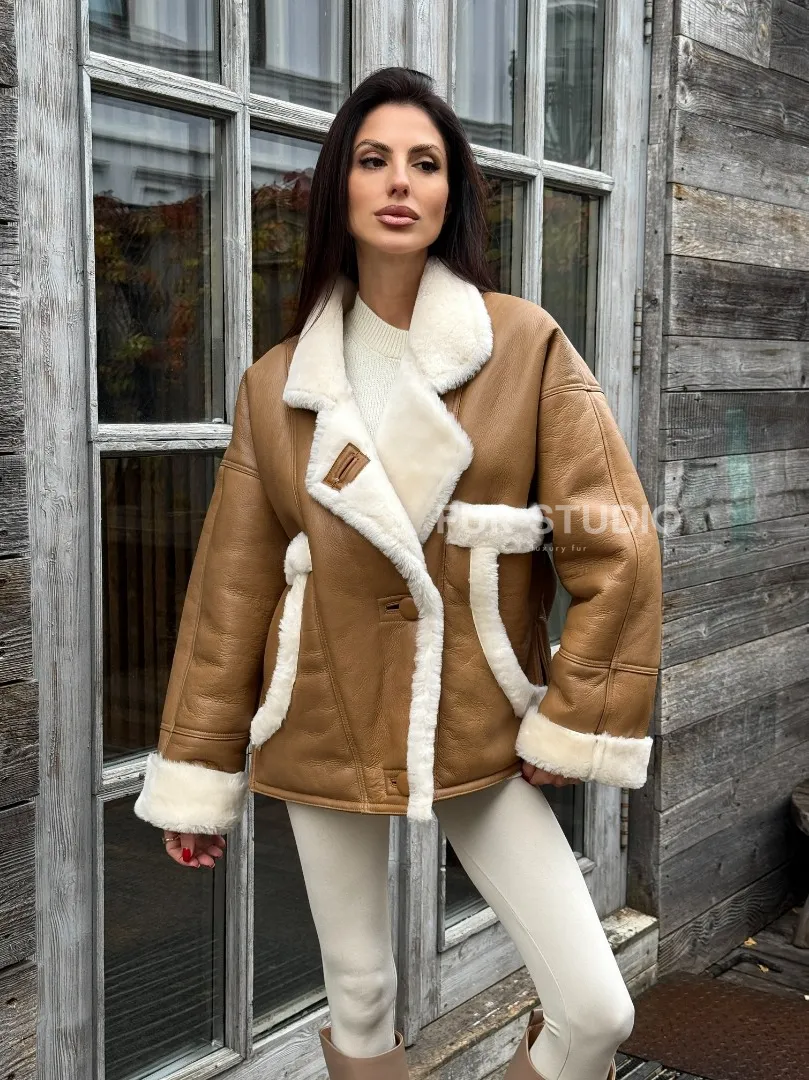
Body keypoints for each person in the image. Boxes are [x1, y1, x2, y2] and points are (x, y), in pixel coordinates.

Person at [133, 66, 663, 1080]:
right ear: (340, 184)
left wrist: (574, 714)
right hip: (321, 708)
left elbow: (617, 540)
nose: (398, 182)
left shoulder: (521, 346)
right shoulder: (277, 384)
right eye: (373, 159)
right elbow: (229, 590)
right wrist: (199, 773)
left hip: (475, 713)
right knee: (361, 998)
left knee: (595, 1013)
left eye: (424, 163)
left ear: (450, 193)